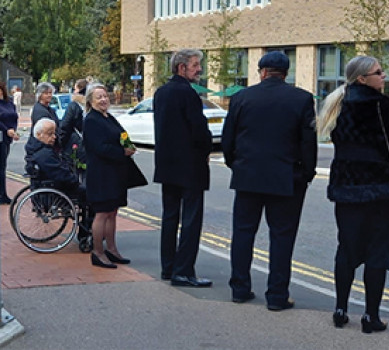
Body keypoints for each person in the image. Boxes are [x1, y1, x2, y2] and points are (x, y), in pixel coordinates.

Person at [317, 55, 389, 333]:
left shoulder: (337, 103)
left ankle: (341, 308)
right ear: (362, 78)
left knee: (346, 249)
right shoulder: (382, 106)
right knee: (377, 253)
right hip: (379, 189)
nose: (384, 76)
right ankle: (371, 317)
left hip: (346, 187)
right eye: (378, 72)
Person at [222, 51, 317, 310]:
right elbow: (309, 143)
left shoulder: (241, 98)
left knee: (243, 234)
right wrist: (306, 174)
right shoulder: (302, 99)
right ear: (286, 73)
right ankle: (277, 296)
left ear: (262, 72)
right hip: (287, 178)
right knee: (282, 238)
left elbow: (227, 141)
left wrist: (237, 166)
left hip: (248, 176)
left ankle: (239, 289)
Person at [153, 49, 213, 287]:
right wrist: (207, 147)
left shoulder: (161, 93)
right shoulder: (187, 93)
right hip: (190, 167)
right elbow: (198, 130)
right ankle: (184, 271)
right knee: (190, 220)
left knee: (170, 217)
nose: (199, 69)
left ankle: (168, 267)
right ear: (181, 68)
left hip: (168, 166)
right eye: (196, 65)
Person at [83, 82, 140, 269]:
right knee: (102, 213)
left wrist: (129, 145)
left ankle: (112, 249)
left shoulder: (109, 117)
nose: (103, 99)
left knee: (113, 212)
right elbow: (99, 148)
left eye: (105, 96)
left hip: (115, 173)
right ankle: (98, 252)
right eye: (98, 97)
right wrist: (122, 152)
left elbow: (122, 135)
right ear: (90, 101)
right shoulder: (91, 120)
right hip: (101, 174)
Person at [24, 118, 83, 200]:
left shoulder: (35, 148)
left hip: (46, 188)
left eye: (54, 133)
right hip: (54, 191)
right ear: (38, 134)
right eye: (50, 134)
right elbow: (61, 174)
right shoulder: (44, 154)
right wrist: (75, 180)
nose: (54, 137)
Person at [58, 79, 87, 165]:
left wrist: (60, 143)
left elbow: (65, 126)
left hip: (76, 145)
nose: (74, 91)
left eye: (75, 89)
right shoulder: (93, 105)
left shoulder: (74, 105)